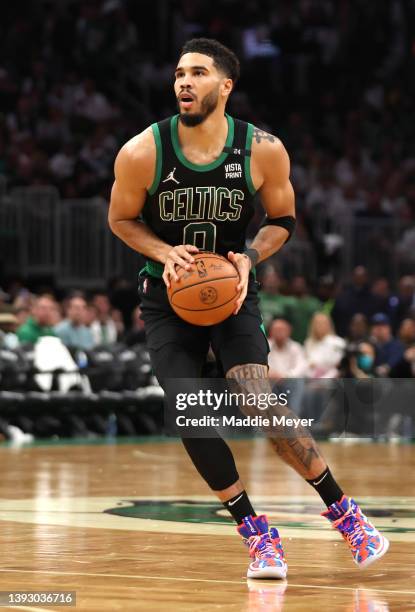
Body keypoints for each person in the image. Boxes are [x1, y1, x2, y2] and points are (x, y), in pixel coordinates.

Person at [108, 38, 388, 579]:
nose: (183, 82)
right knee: (188, 410)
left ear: (226, 86)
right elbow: (121, 219)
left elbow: (282, 219)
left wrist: (248, 258)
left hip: (232, 289)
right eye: (179, 73)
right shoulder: (142, 151)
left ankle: (344, 512)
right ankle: (257, 534)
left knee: (259, 398)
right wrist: (165, 252)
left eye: (198, 73)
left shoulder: (263, 148)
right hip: (168, 298)